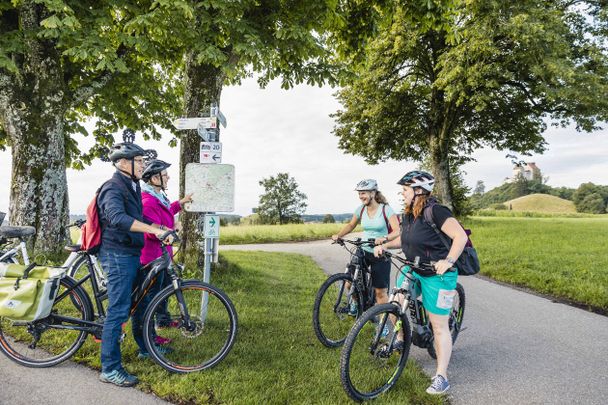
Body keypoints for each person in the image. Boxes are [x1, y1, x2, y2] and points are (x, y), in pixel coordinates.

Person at [374, 170, 468, 395]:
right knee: (396, 303)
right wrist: (385, 245)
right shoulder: (408, 213)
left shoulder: (436, 211)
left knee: (439, 326)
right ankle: (400, 337)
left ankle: (441, 377)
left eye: (405, 190)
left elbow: (460, 237)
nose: (402, 194)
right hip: (413, 268)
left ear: (418, 191)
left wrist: (448, 260)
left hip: (438, 274)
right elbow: (405, 240)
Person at [97, 141, 174, 387]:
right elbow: (117, 218)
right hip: (117, 254)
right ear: (122, 162)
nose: (143, 165)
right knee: (118, 310)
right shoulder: (113, 187)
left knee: (140, 302)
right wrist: (153, 229)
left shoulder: (130, 186)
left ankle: (145, 348)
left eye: (142, 161)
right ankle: (109, 368)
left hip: (131, 252)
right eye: (139, 161)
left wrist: (162, 229)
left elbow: (139, 218)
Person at [140, 159, 192, 341]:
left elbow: (167, 210)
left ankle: (162, 320)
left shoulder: (157, 197)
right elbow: (150, 231)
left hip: (163, 254)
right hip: (153, 257)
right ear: (154, 178)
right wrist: (171, 230)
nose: (168, 177)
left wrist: (181, 203)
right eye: (164, 175)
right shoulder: (147, 201)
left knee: (166, 288)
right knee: (152, 296)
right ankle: (151, 336)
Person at [331, 179, 400, 312]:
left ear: (373, 193)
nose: (361, 196)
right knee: (349, 282)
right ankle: (356, 306)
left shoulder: (386, 209)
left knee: (380, 292)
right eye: (359, 194)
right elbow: (351, 225)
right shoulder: (361, 210)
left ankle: (382, 324)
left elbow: (397, 231)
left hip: (380, 253)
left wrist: (384, 238)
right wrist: (339, 235)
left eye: (363, 193)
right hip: (363, 250)